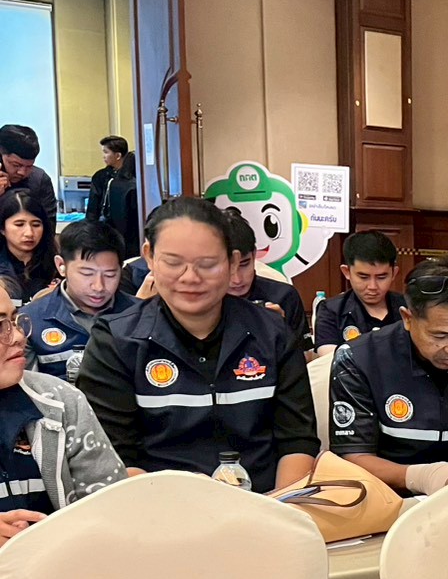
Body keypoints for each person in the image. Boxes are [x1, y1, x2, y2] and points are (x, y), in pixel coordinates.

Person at [76, 198, 318, 493]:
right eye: (173, 263)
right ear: (149, 257)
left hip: (266, 501)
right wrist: (189, 507)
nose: (190, 278)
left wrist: (280, 507)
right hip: (156, 505)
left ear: (232, 262)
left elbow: (297, 441)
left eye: (207, 264)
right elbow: (115, 457)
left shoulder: (273, 334)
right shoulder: (115, 341)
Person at [330, 256, 448, 495]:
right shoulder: (359, 360)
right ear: (407, 319)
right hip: (390, 498)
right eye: (440, 336)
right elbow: (351, 456)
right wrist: (419, 477)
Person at [0, 287, 128, 549]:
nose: (19, 337)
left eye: (15, 320)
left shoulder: (60, 400)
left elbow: (114, 509)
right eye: (0, 327)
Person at [19, 220, 135, 379]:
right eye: (87, 274)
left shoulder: (141, 316)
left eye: (110, 275)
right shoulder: (31, 320)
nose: (99, 286)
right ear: (61, 265)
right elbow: (26, 386)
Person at [222, 210, 312, 355]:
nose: (237, 279)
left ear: (254, 254)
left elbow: (307, 356)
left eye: (244, 264)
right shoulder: (200, 301)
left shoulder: (284, 295)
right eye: (228, 267)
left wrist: (281, 330)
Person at [314, 230, 405, 352]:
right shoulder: (331, 310)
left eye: (381, 277)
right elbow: (329, 357)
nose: (372, 286)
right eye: (363, 277)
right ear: (347, 272)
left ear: (394, 273)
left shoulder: (409, 307)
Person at [0, 189, 56, 302]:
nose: (29, 233)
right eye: (19, 224)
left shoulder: (57, 263)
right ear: (2, 228)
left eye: (36, 225)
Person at [0, 125, 56, 223]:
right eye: (16, 165)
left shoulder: (39, 180)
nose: (22, 172)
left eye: (29, 166)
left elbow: (49, 227)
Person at [85, 136, 129, 223]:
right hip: (104, 225)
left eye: (106, 152)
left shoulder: (132, 178)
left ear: (118, 156)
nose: (103, 156)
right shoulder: (100, 177)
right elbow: (92, 208)